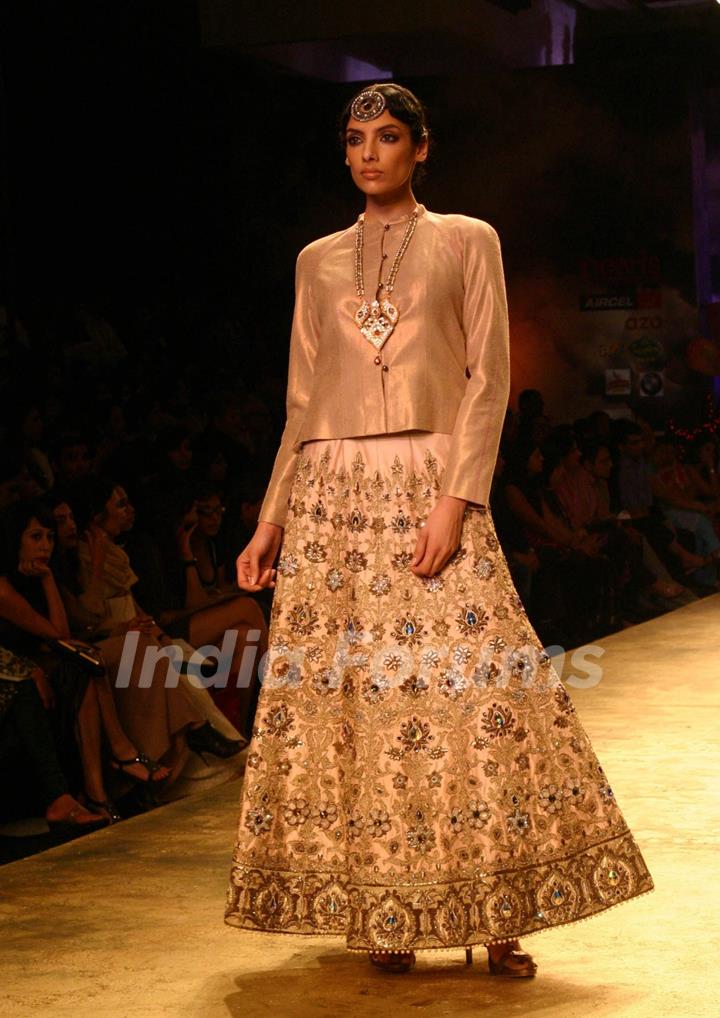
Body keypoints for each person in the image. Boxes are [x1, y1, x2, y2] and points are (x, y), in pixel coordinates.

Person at [224, 83, 654, 977]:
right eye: (355, 139)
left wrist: (459, 498)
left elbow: (486, 380)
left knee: (473, 702)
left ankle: (497, 910)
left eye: (387, 137)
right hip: (333, 498)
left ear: (423, 148)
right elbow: (302, 401)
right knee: (358, 707)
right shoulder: (317, 261)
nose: (369, 152)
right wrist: (273, 517)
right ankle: (387, 908)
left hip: (430, 482)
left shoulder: (467, 240)